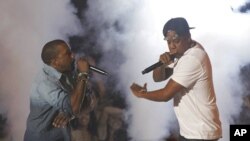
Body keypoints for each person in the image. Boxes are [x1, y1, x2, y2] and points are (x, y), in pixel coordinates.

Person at [130, 17, 222, 141]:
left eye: (176, 41)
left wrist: (142, 95)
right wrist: (161, 63)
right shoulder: (186, 50)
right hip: (193, 132)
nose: (172, 46)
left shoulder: (192, 58)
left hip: (200, 134)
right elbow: (158, 78)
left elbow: (165, 95)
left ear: (188, 37)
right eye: (168, 42)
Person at [24, 39, 96, 141]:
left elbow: (91, 101)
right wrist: (83, 74)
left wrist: (69, 114)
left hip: (61, 136)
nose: (73, 56)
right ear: (55, 62)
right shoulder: (45, 83)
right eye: (68, 54)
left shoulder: (69, 72)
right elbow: (74, 107)